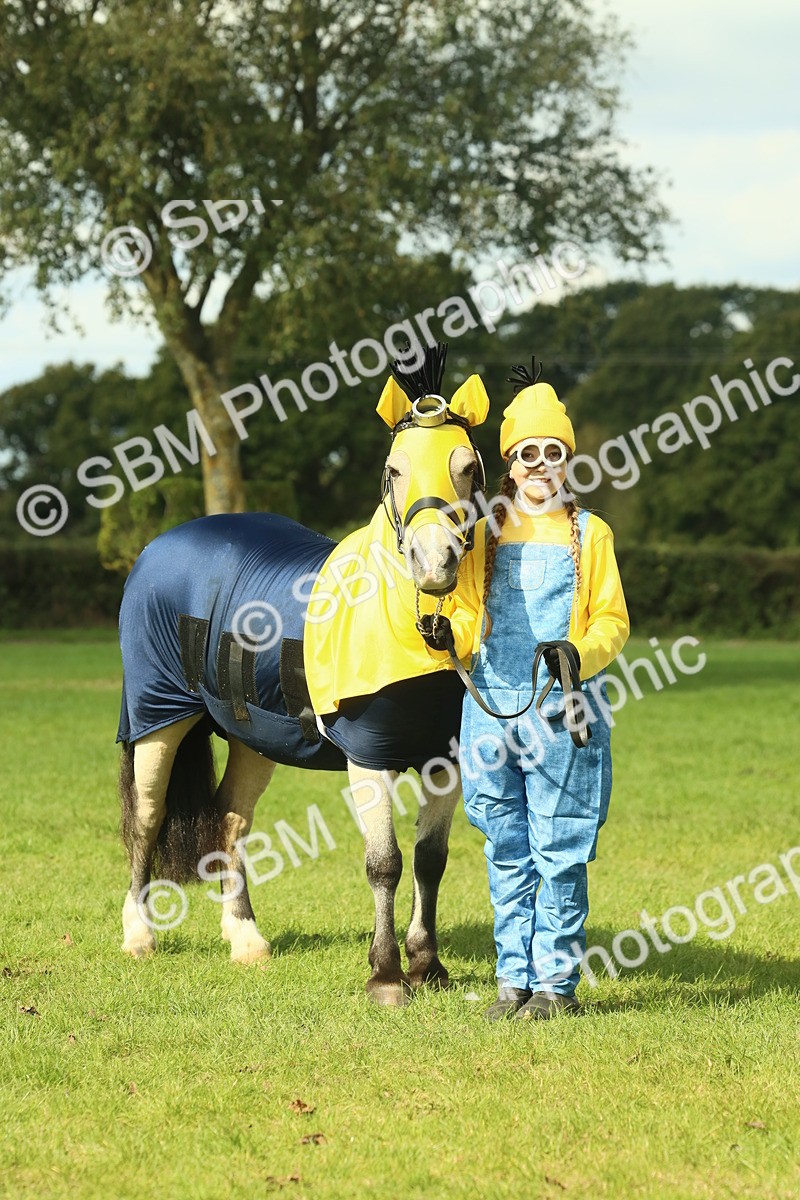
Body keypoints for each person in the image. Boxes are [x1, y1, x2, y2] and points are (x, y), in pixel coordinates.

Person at [430, 364, 630, 1021]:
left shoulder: (590, 533)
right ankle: (512, 983)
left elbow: (612, 620)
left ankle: (555, 987)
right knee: (505, 846)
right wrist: (445, 633)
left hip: (564, 709)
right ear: (510, 465)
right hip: (489, 708)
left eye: (552, 452)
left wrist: (582, 651)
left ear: (566, 461)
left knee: (560, 848)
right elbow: (464, 613)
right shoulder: (482, 533)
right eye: (527, 454)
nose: (540, 465)